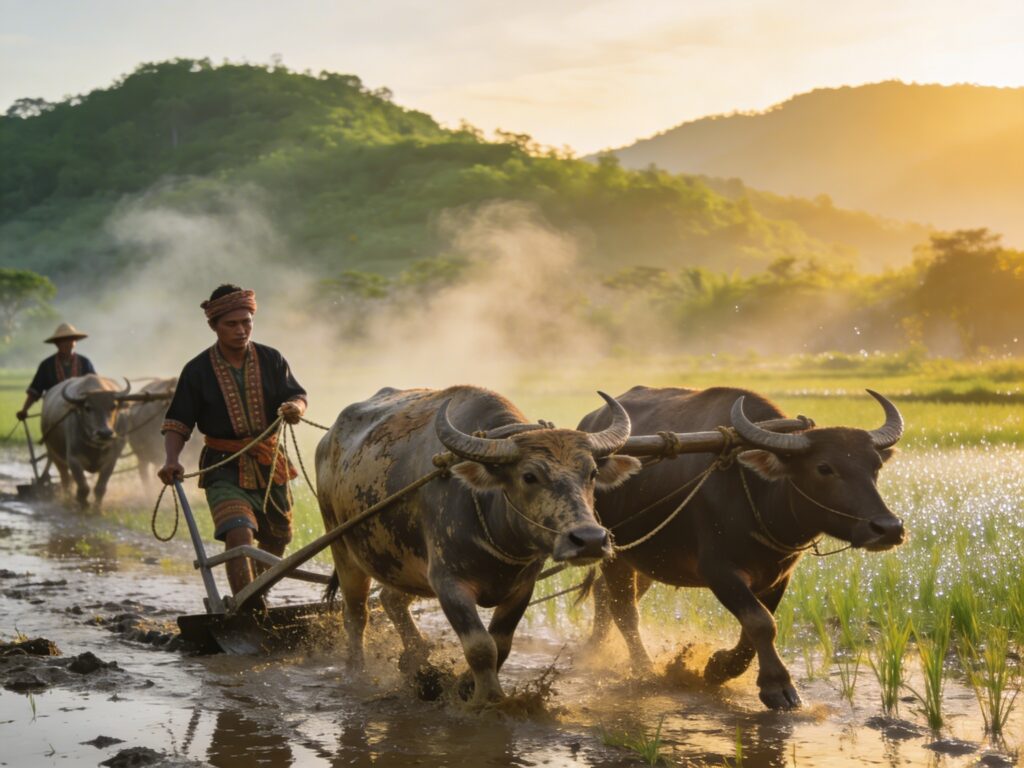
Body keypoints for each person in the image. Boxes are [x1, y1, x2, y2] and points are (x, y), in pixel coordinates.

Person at [157, 284, 307, 599]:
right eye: (232, 324)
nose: (241, 330)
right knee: (238, 532)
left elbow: (296, 394)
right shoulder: (197, 371)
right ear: (214, 326)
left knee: (278, 539)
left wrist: (295, 407)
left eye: (246, 322)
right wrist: (171, 460)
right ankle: (248, 606)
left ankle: (257, 595)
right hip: (223, 466)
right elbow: (178, 422)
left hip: (269, 461)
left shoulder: (271, 358)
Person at [16, 322, 97, 420]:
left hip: (80, 412)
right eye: (63, 341)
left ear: (75, 342)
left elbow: (95, 386)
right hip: (54, 412)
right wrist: (24, 410)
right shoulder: (46, 365)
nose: (67, 343)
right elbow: (35, 391)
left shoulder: (84, 362)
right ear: (56, 344)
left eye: (70, 339)